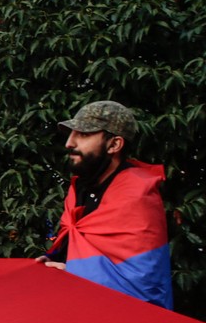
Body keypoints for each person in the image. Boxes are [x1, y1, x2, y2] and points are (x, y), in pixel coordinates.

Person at [42, 100, 172, 309]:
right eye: (71, 133)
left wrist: (72, 275)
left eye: (83, 135)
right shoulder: (80, 188)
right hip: (79, 311)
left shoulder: (138, 195)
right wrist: (50, 260)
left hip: (127, 322)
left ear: (114, 145)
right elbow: (74, 245)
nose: (69, 143)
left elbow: (145, 285)